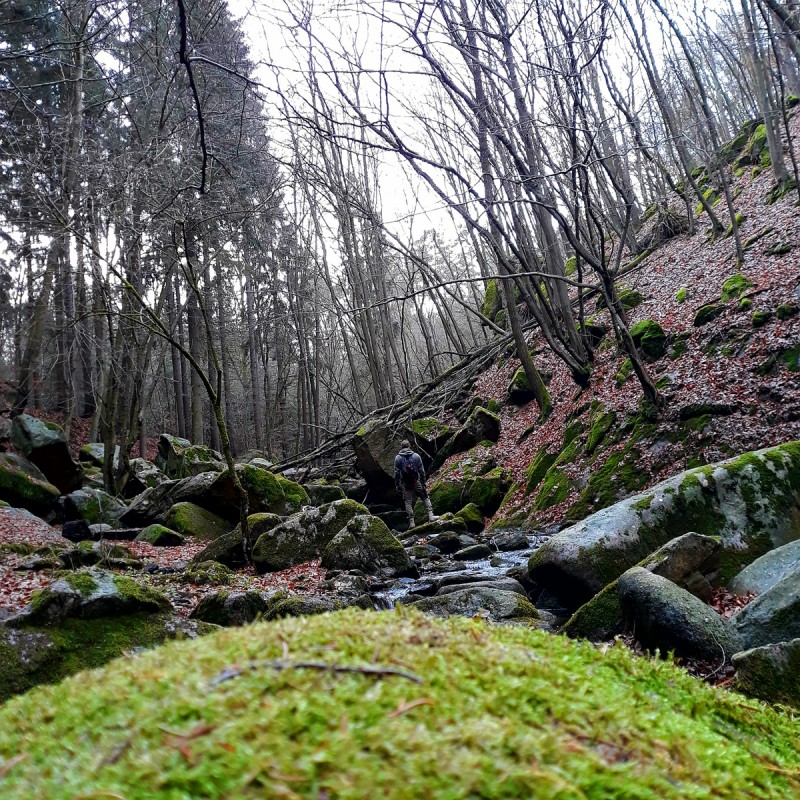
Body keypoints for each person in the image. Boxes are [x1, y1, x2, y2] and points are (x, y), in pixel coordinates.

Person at [394, 439, 437, 528]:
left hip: (405, 483)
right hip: (416, 481)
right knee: (425, 497)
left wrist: (397, 484)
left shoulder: (398, 458)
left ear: (401, 447)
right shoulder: (416, 456)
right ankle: (431, 516)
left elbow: (396, 473)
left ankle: (412, 522)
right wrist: (423, 482)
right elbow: (421, 471)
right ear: (409, 446)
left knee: (408, 502)